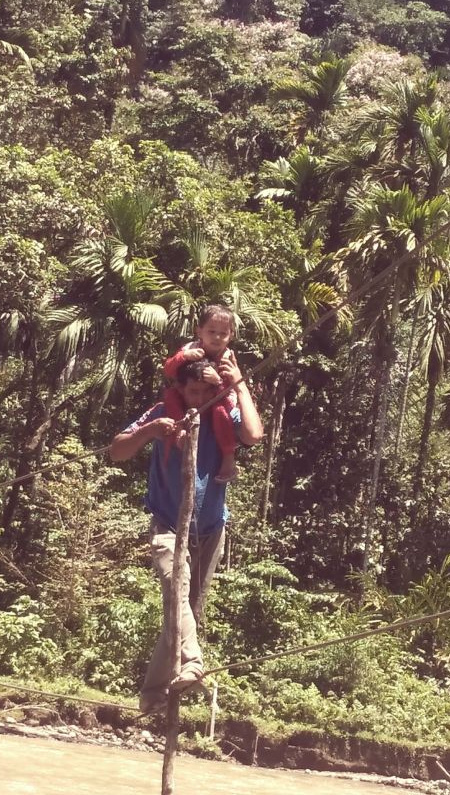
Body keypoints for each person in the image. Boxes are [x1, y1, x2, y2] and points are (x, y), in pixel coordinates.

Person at [109, 356, 264, 715]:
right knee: (176, 595)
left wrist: (237, 383)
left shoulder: (223, 413)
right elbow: (117, 451)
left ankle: (152, 695)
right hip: (168, 525)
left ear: (213, 390)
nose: (197, 398)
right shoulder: (164, 410)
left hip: (209, 529)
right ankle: (193, 662)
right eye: (191, 391)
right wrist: (150, 431)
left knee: (182, 612)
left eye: (204, 391)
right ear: (180, 389)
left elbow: (254, 435)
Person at [163, 305, 240, 482]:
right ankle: (180, 429)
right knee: (170, 395)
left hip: (219, 400)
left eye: (223, 333)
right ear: (199, 331)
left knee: (220, 411)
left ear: (231, 336)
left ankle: (229, 458)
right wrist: (183, 357)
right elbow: (168, 370)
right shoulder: (190, 348)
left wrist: (218, 381)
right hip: (188, 399)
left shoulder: (228, 358)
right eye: (211, 331)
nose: (217, 337)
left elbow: (231, 391)